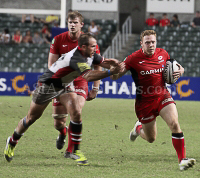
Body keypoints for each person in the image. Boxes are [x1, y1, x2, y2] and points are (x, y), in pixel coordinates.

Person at [4, 32, 125, 165]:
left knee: (76, 113)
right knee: (31, 118)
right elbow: (89, 76)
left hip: (65, 85)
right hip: (48, 86)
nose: (95, 49)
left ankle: (74, 150)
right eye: (92, 46)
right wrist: (110, 72)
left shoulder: (90, 54)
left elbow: (105, 63)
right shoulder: (76, 58)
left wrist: (118, 64)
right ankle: (12, 141)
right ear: (83, 47)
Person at [110, 30, 196, 171]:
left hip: (163, 96)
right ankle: (138, 128)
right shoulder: (133, 59)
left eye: (153, 42)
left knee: (174, 124)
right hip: (144, 103)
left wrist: (181, 71)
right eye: (147, 42)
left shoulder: (163, 54)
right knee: (151, 139)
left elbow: (177, 67)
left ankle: (182, 160)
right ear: (141, 44)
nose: (151, 45)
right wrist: (113, 70)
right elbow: (115, 77)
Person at [48, 11, 102, 166]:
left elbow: (97, 64)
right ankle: (63, 132)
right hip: (63, 81)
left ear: (81, 25)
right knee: (58, 122)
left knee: (76, 110)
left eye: (75, 22)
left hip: (81, 80)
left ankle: (71, 150)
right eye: (70, 22)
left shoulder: (89, 41)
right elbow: (51, 65)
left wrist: (96, 88)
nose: (72, 25)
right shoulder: (58, 39)